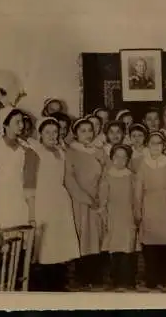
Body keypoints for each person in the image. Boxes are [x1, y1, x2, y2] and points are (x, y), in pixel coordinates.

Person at [30, 117, 80, 291]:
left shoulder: (61, 152)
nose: (52, 135)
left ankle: (59, 280)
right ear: (40, 134)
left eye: (55, 132)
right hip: (44, 199)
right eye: (47, 132)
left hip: (60, 199)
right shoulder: (35, 152)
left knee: (60, 242)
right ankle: (44, 283)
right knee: (45, 245)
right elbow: (30, 181)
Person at [134, 131, 166, 288]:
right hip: (149, 205)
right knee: (150, 243)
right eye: (152, 143)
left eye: (159, 143)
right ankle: (151, 276)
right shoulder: (144, 164)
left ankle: (163, 276)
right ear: (148, 145)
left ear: (164, 146)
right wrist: (138, 209)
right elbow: (138, 189)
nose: (156, 146)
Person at [0, 106, 38, 229]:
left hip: (20, 198)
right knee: (3, 239)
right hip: (0, 198)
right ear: (5, 125)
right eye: (17, 122)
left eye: (22, 121)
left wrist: (32, 214)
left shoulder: (27, 150)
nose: (21, 125)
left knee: (20, 238)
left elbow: (30, 183)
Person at [64, 118, 105, 287]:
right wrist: (86, 199)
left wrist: (101, 197)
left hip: (98, 200)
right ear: (75, 134)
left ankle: (96, 275)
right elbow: (69, 180)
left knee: (97, 237)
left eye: (90, 130)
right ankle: (82, 276)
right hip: (80, 202)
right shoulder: (71, 153)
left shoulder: (99, 151)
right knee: (83, 237)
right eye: (83, 131)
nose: (87, 134)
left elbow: (106, 175)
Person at [98, 144, 138, 288]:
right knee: (114, 248)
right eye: (117, 157)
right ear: (112, 158)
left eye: (124, 157)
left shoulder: (131, 176)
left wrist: (136, 214)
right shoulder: (107, 176)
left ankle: (128, 279)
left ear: (128, 159)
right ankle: (115, 278)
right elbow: (103, 198)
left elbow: (136, 197)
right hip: (113, 216)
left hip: (127, 216)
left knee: (128, 247)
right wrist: (104, 215)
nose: (120, 160)